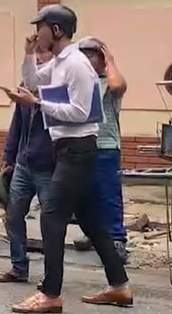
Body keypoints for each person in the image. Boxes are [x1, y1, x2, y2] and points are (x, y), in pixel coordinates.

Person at [3, 5, 132, 313]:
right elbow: (33, 81)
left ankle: (50, 294)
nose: (37, 32)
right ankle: (120, 286)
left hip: (78, 149)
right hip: (68, 150)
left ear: (56, 30)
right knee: (92, 222)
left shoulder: (76, 64)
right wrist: (28, 54)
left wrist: (37, 104)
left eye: (41, 27)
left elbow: (80, 112)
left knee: (51, 217)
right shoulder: (60, 63)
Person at [0, 44, 56, 285]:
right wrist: (9, 155)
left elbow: (62, 121)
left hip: (50, 166)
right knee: (13, 215)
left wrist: (36, 102)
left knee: (51, 222)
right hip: (23, 164)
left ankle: (52, 278)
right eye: (34, 54)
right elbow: (17, 123)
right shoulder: (26, 85)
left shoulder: (59, 86)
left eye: (43, 54)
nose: (38, 59)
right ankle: (18, 267)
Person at [74, 37, 129, 263]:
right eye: (83, 54)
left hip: (106, 146)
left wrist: (110, 62)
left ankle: (117, 239)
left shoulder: (108, 81)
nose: (87, 58)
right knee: (84, 194)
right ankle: (93, 233)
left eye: (92, 54)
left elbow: (119, 86)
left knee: (108, 195)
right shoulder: (78, 81)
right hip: (81, 144)